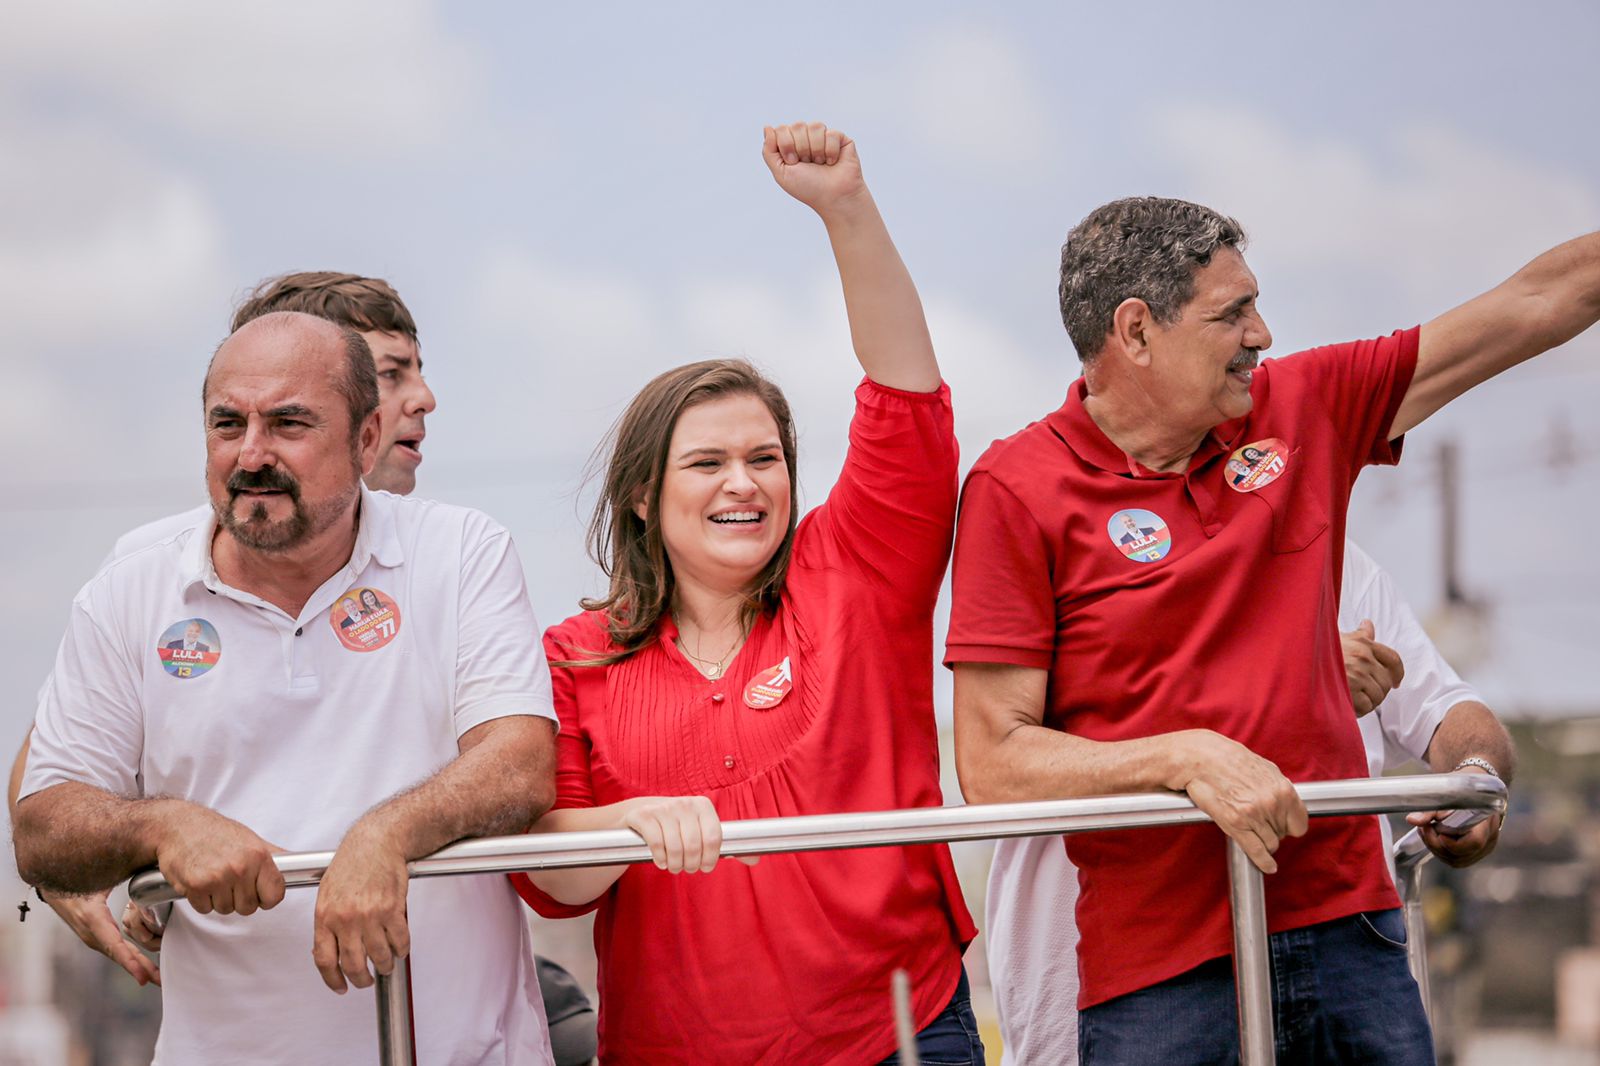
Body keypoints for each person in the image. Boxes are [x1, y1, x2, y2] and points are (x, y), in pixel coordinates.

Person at [948, 196, 1597, 1063]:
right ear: (1135, 332)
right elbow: (993, 762)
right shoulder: (1015, 488)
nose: (1263, 334)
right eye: (1233, 313)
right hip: (1160, 973)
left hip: (1350, 937)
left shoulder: (1306, 405)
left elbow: (1537, 301)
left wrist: (1472, 777)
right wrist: (1183, 758)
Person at [509, 122, 982, 1064]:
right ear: (641, 496)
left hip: (901, 1035)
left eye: (765, 458)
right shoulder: (574, 653)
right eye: (707, 463)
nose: (743, 483)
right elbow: (554, 877)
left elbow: (907, 398)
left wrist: (846, 208)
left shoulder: (851, 571)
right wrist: (632, 822)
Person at [13, 312, 560, 1064]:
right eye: (227, 424)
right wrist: (165, 827)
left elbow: (521, 765)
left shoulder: (461, 550)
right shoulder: (129, 588)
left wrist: (385, 837)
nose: (252, 453)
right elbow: (43, 827)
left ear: (366, 439)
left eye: (288, 423)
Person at [7, 270, 436, 986]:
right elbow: (49, 763)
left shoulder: (448, 549)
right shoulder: (161, 563)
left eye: (416, 371)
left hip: (432, 974)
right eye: (391, 374)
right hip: (254, 983)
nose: (423, 397)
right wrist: (98, 865)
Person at [983, 539, 1516, 1065]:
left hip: (1333, 956)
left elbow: (1446, 705)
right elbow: (998, 756)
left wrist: (1476, 775)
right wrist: (1304, 670)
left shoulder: (1334, 558)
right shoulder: (1072, 544)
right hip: (1113, 978)